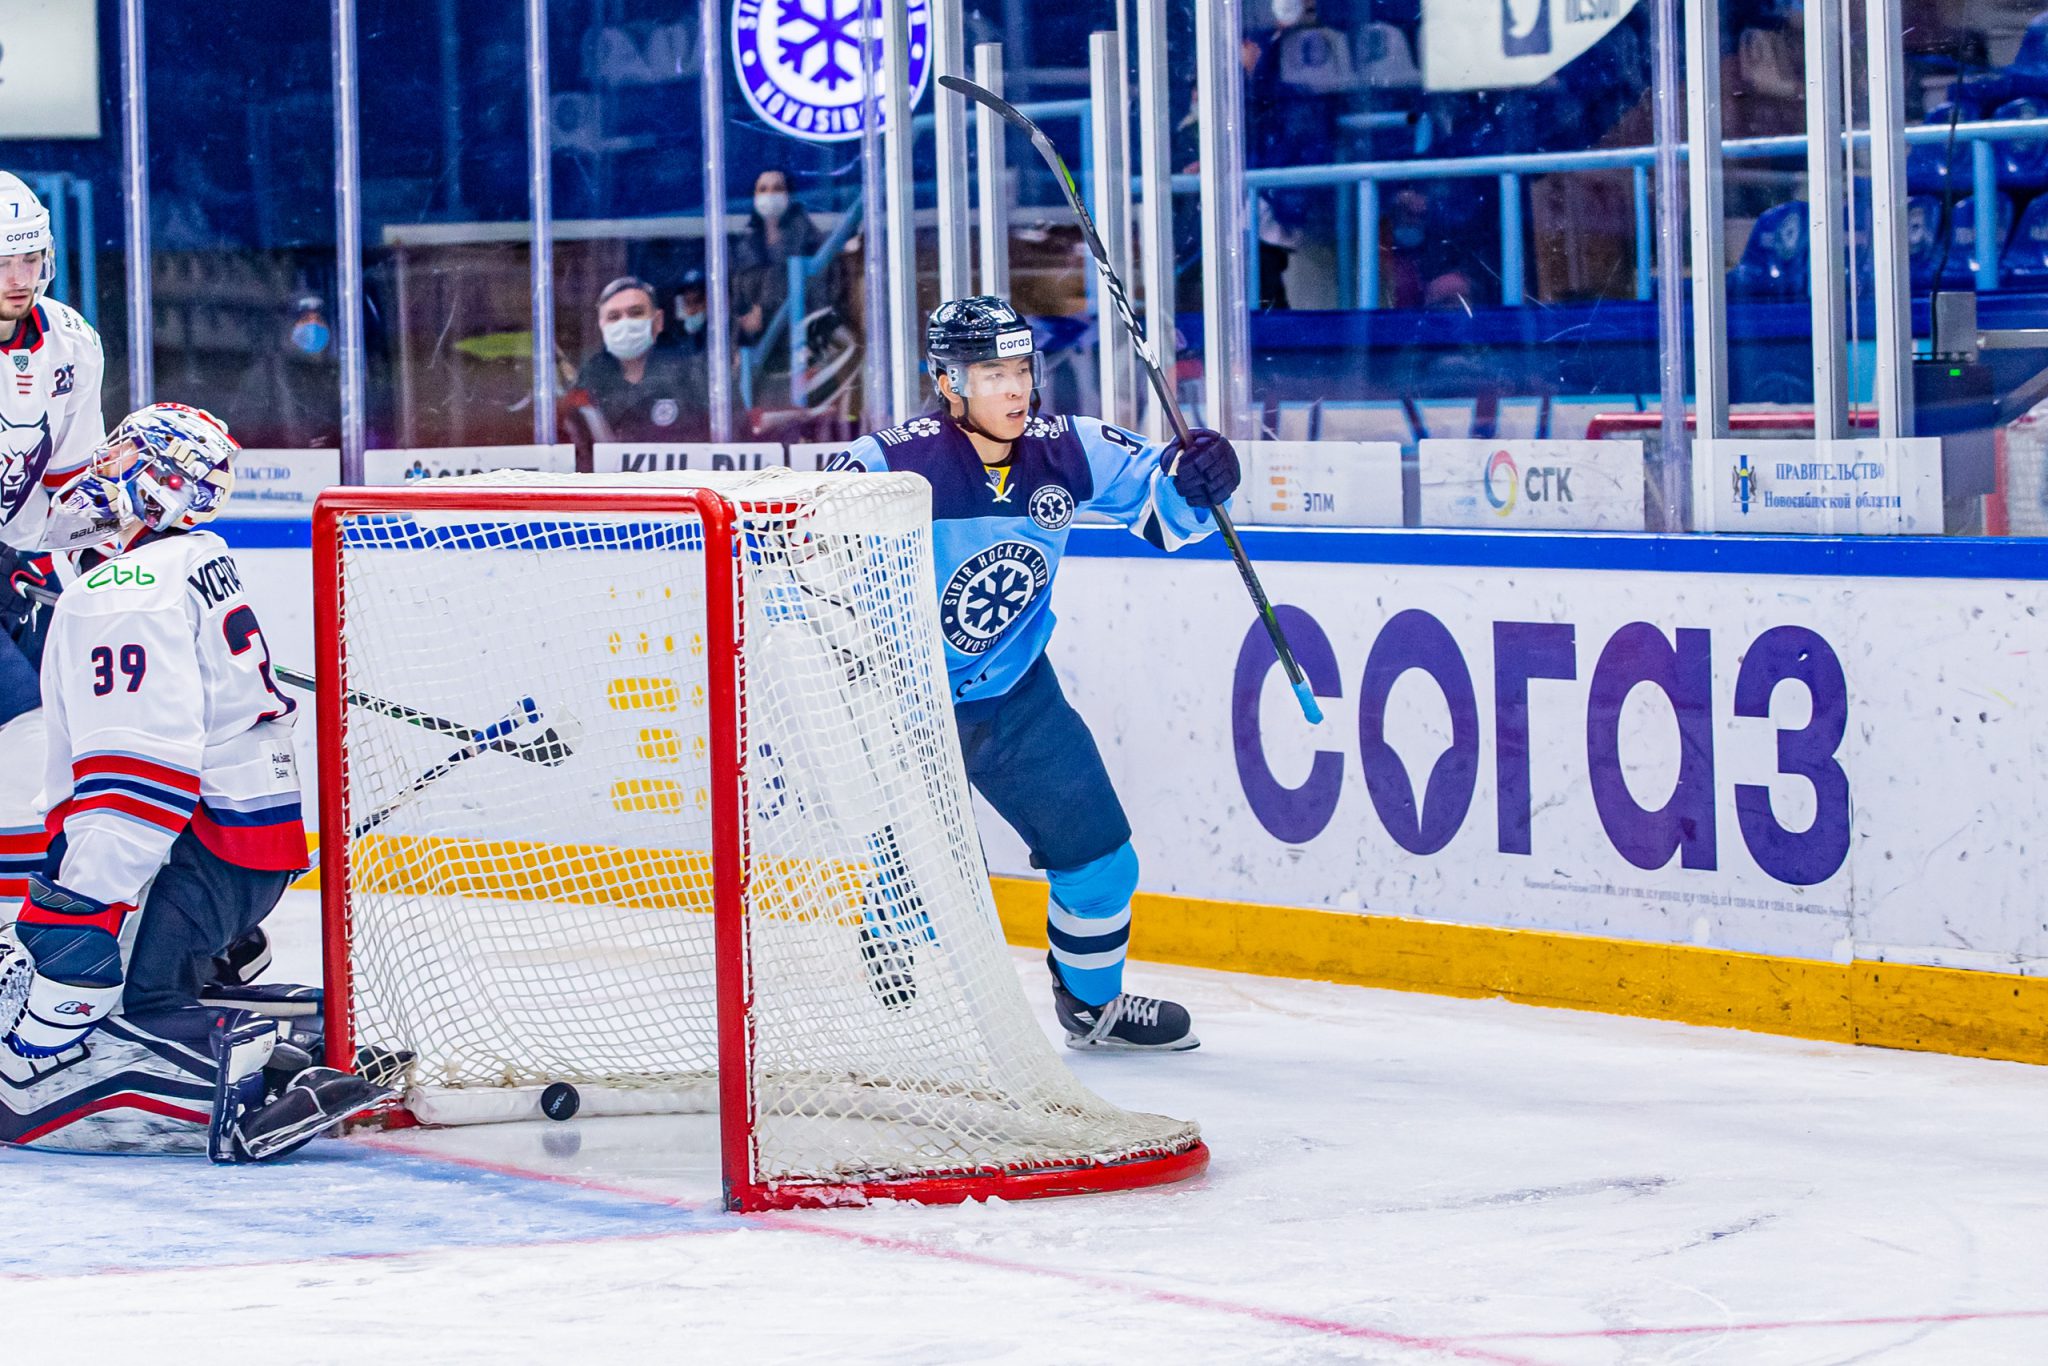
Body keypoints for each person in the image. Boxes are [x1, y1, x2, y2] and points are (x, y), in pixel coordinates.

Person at [827, 297, 1241, 1051]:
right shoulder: (884, 466)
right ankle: (890, 955)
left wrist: (1199, 475)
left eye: (1022, 369)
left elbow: (1159, 505)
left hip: (1019, 695)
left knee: (1103, 862)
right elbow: (805, 567)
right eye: (993, 374)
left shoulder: (1064, 447)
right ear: (948, 383)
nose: (1017, 390)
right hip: (909, 704)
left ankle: (1092, 1010)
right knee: (930, 893)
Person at [0, 403, 391, 1160]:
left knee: (40, 1071)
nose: (93, 474)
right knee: (127, 980)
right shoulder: (191, 560)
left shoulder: (125, 590)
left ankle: (236, 1071)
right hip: (246, 850)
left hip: (192, 851)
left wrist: (80, 905)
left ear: (154, 483)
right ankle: (292, 1035)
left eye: (115, 460)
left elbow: (138, 778)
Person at [0, 170, 107, 912]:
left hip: (22, 558)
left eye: (30, 259)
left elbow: (73, 484)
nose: (19, 278)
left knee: (78, 710)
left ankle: (68, 895)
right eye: (1, 263)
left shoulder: (70, 342)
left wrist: (112, 553)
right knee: (25, 720)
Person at [570, 275, 708, 443]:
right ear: (602, 326)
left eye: (636, 313)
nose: (625, 323)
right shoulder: (591, 376)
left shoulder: (693, 373)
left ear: (658, 321)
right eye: (614, 317)